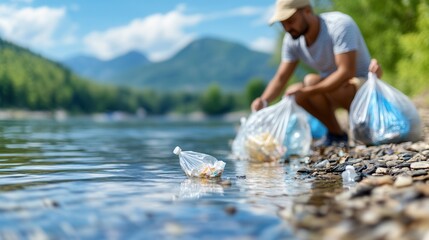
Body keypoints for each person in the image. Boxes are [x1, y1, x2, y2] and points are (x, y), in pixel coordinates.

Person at [251, 0, 382, 146]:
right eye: (283, 23)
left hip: (361, 87)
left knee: (310, 85)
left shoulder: (339, 25)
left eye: (291, 21)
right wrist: (263, 101)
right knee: (301, 86)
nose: (287, 27)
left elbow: (346, 72)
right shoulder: (292, 40)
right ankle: (337, 134)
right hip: (332, 88)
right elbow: (281, 77)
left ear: (307, 11)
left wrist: (308, 91)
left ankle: (364, 125)